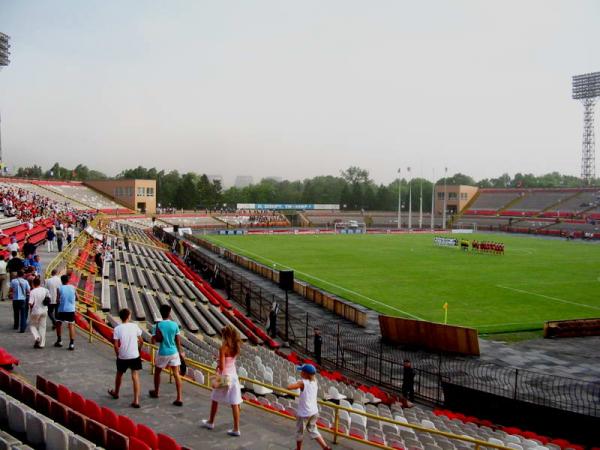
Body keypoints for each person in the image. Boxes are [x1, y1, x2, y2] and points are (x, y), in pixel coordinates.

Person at [201, 324, 243, 437]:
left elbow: (223, 368)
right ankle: (236, 428)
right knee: (235, 403)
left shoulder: (223, 348)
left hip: (225, 377)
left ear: (225, 335)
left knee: (215, 398)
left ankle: (211, 422)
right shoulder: (236, 346)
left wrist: (218, 363)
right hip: (234, 377)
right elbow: (230, 362)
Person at [286, 364, 332, 450]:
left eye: (302, 371)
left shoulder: (302, 383)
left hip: (304, 413)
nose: (300, 372)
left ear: (306, 374)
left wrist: (297, 383)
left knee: (299, 432)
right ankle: (325, 447)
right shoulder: (315, 381)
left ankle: (298, 449)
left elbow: (289, 387)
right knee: (313, 429)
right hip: (314, 411)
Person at [149, 304, 184, 406]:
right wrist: (181, 352)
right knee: (176, 374)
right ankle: (179, 397)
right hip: (173, 352)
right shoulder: (175, 325)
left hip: (163, 352)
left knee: (157, 372)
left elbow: (153, 341)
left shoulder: (157, 326)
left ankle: (156, 392)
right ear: (169, 313)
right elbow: (178, 341)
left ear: (161, 313)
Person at [109, 308, 143, 408]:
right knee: (135, 376)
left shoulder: (117, 329)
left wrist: (118, 355)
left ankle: (116, 393)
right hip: (134, 355)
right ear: (128, 316)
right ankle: (136, 400)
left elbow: (115, 345)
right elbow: (141, 342)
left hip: (122, 355)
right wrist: (138, 351)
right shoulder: (134, 326)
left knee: (119, 374)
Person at [55, 274, 77, 350]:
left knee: (58, 324)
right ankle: (71, 344)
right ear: (68, 280)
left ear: (61, 281)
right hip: (71, 309)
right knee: (71, 325)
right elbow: (77, 297)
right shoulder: (73, 287)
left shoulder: (59, 288)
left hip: (62, 309)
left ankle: (59, 340)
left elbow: (57, 300)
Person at [28, 277, 49, 348]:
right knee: (42, 327)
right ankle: (42, 344)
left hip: (36, 311)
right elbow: (49, 299)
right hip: (44, 310)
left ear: (33, 284)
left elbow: (30, 303)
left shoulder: (33, 291)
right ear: (39, 283)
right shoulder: (45, 290)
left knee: (32, 325)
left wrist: (31, 310)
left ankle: (37, 337)